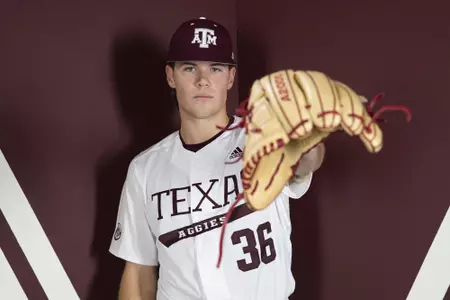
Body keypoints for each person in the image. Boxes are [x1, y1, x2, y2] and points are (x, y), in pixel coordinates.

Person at [109, 16, 325, 300]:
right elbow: (138, 273)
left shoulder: (262, 139)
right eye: (189, 68)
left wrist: (305, 140)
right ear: (171, 76)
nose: (203, 80)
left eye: (215, 68)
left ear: (230, 77)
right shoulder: (144, 169)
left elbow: (306, 162)